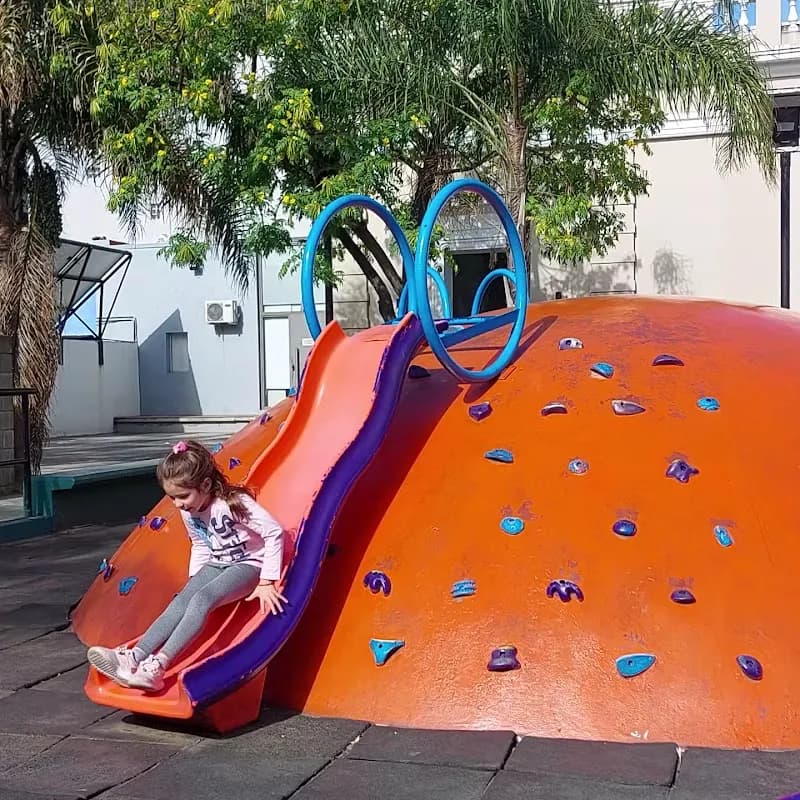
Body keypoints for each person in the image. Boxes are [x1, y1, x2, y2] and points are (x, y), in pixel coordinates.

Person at [87, 439, 287, 692]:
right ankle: (134, 656)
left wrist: (267, 580)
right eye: (172, 497)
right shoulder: (188, 511)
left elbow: (274, 532)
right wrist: (194, 579)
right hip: (218, 562)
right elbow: (201, 544)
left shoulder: (233, 503)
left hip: (248, 563)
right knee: (184, 599)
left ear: (205, 484)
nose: (178, 503)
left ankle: (158, 666)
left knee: (202, 599)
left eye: (183, 496)